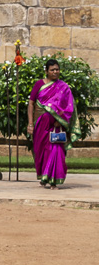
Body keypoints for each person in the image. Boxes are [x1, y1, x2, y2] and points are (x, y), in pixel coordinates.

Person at [29, 58, 77, 189]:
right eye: (52, 70)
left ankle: (53, 181)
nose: (55, 72)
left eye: (57, 69)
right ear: (46, 71)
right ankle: (44, 177)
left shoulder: (64, 87)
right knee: (41, 151)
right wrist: (30, 124)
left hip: (56, 125)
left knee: (55, 150)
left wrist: (59, 119)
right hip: (40, 125)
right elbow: (31, 103)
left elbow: (69, 107)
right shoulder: (39, 84)